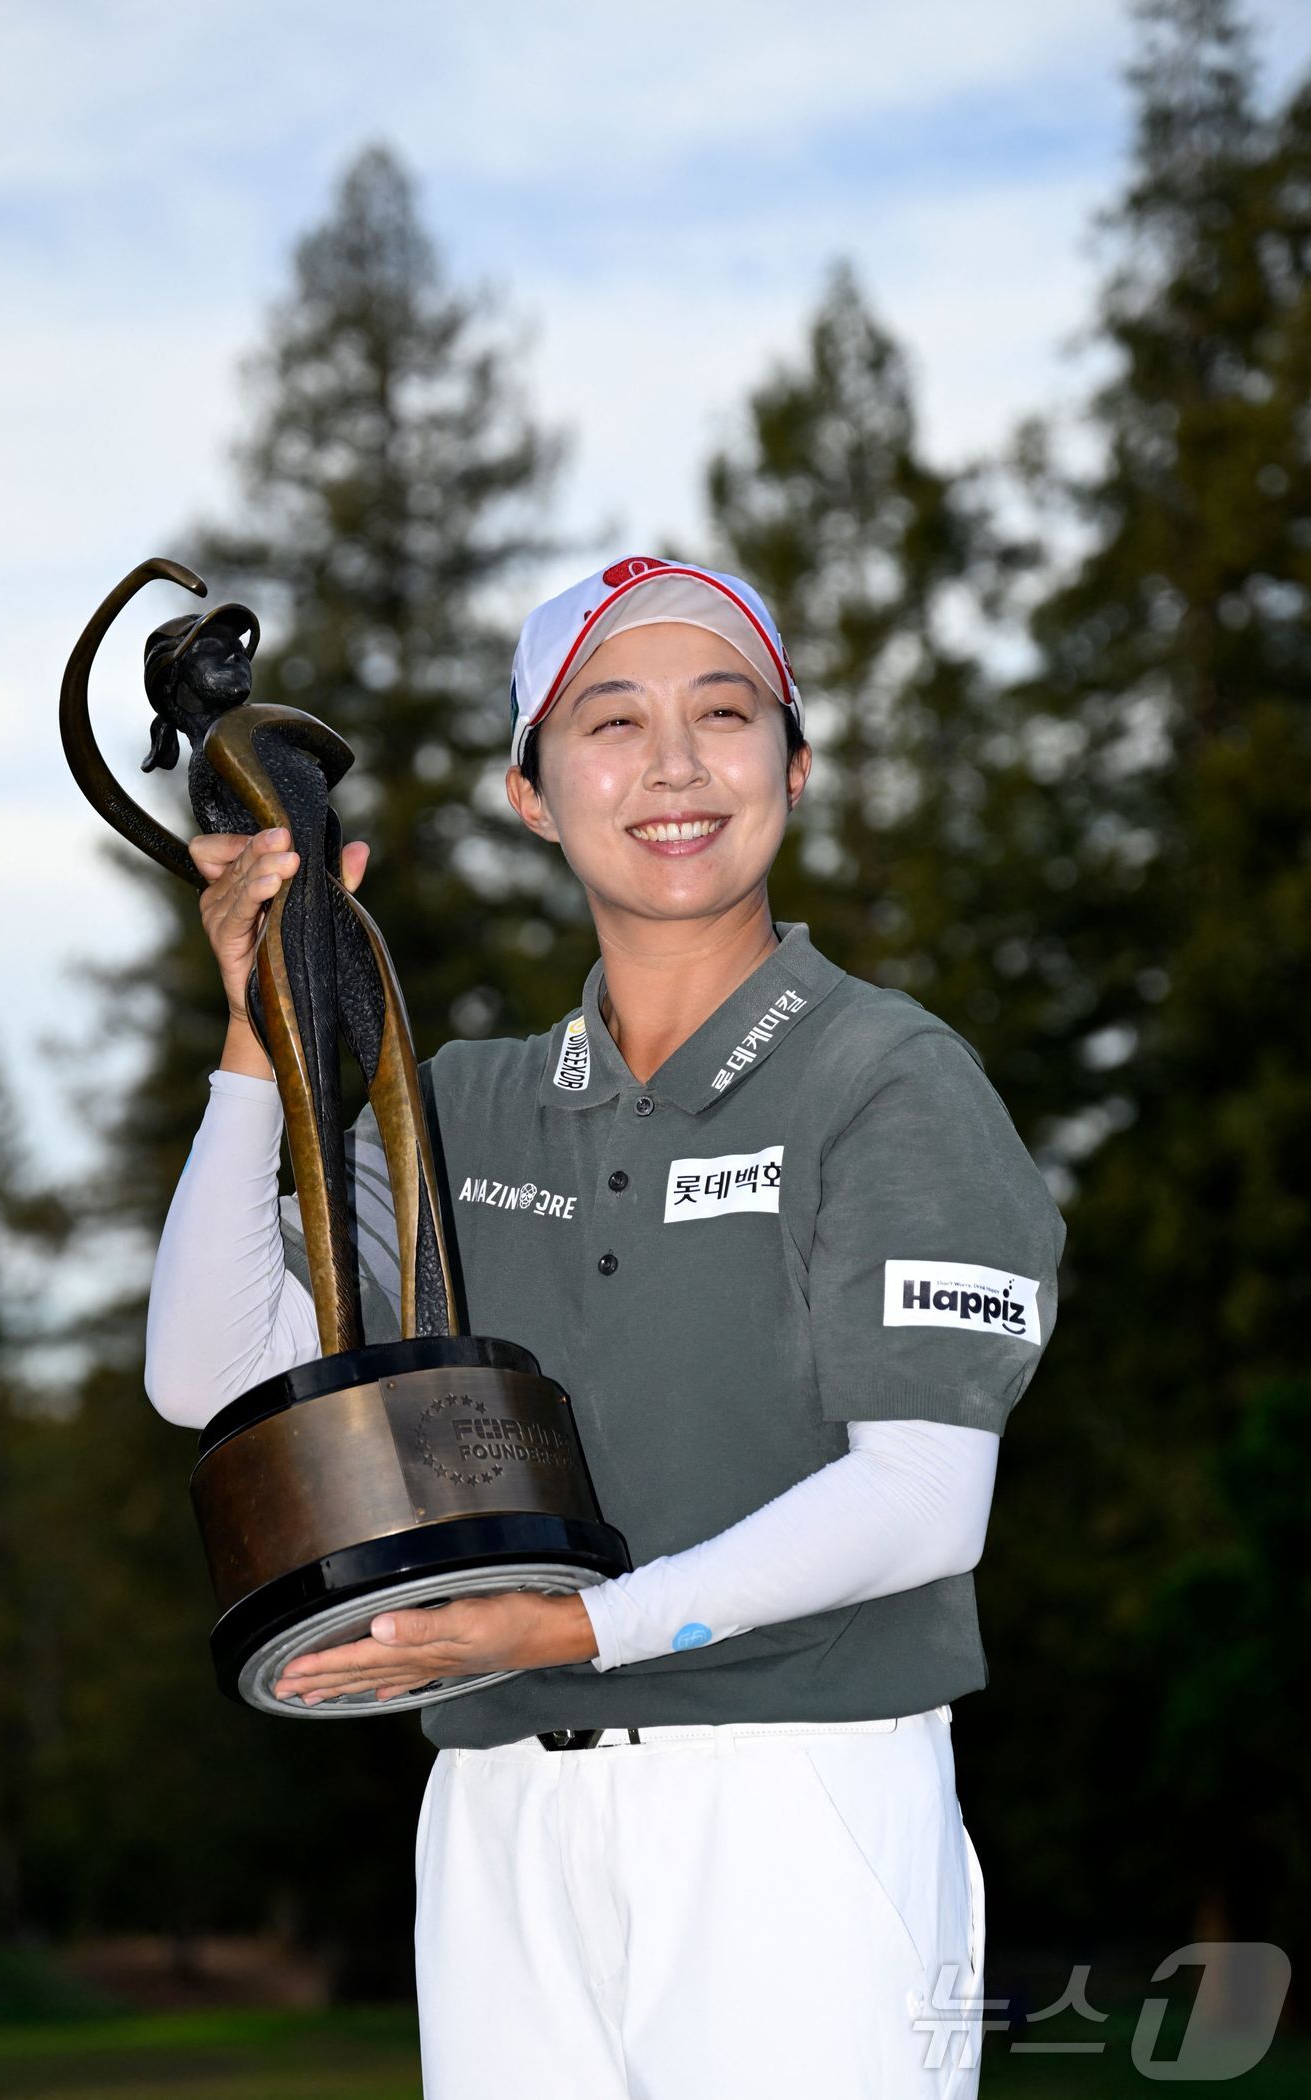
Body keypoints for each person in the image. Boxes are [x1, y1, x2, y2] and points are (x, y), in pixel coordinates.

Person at [145, 554, 1067, 2098]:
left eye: (725, 711)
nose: (675, 765)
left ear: (796, 761)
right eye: (610, 722)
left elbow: (923, 1502)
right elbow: (207, 1376)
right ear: (532, 793)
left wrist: (575, 1627)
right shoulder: (465, 1104)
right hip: (504, 1820)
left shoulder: (886, 1078)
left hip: (797, 1805)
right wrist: (256, 1028)